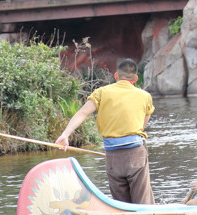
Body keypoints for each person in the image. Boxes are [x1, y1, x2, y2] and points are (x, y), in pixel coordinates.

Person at [56, 58, 155, 205]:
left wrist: (65, 134)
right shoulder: (145, 96)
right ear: (136, 79)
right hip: (135, 152)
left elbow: (83, 113)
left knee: (121, 204)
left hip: (112, 155)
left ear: (116, 76)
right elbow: (142, 125)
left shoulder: (101, 92)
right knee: (143, 200)